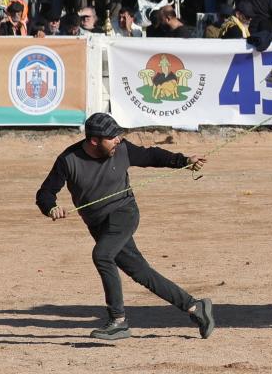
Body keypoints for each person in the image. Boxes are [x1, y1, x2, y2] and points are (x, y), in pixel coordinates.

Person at [35, 113, 215, 341]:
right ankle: (195, 307)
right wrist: (50, 207)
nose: (118, 141)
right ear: (94, 141)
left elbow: (151, 155)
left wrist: (184, 161)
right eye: (112, 138)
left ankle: (118, 321)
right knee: (141, 272)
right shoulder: (68, 160)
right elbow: (45, 193)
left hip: (124, 213)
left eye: (119, 136)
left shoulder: (121, 149)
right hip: (99, 225)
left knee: (102, 256)